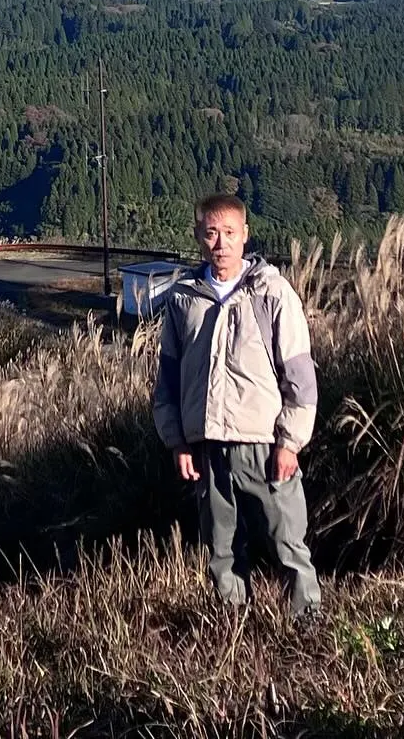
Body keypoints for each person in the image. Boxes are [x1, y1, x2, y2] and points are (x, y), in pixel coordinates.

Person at [152, 193, 321, 618]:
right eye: (211, 233)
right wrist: (177, 441)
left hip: (264, 443)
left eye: (229, 233)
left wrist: (291, 442)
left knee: (286, 540)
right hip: (207, 444)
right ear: (198, 237)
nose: (220, 243)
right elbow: (167, 382)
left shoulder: (272, 292)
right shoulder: (183, 300)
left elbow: (299, 376)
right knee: (221, 547)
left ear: (245, 235)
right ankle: (231, 631)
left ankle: (309, 627)